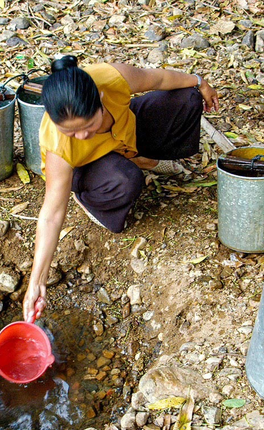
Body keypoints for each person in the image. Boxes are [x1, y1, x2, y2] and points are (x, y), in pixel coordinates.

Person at [22, 55, 219, 322]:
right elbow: (51, 214)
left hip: (124, 136)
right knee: (125, 180)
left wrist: (200, 82)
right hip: (85, 168)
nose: (80, 136)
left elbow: (160, 78)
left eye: (87, 126)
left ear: (101, 98)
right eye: (71, 133)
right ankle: (94, 197)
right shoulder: (59, 145)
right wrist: (37, 281)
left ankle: (140, 158)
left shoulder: (112, 78)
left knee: (187, 99)